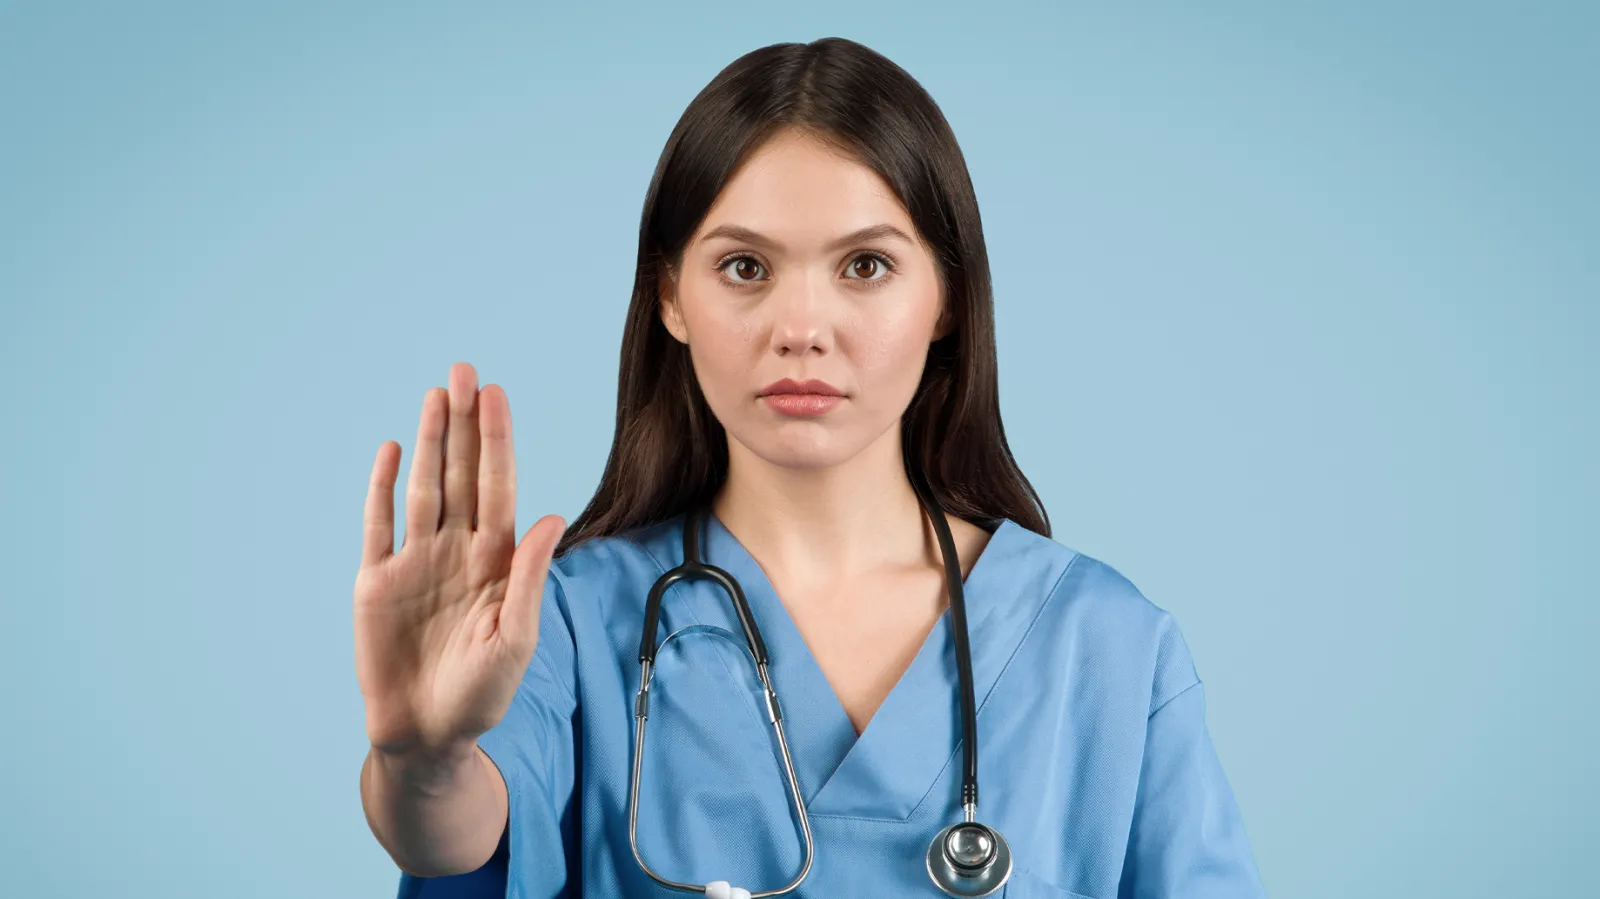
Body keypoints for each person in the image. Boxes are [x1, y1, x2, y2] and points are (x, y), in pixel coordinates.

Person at [355, 36, 1266, 899]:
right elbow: (453, 834)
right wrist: (421, 757)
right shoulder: (567, 623)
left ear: (946, 297)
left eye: (865, 265)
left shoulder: (1107, 649)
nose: (801, 327)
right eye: (745, 266)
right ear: (671, 296)